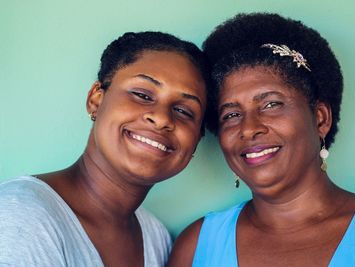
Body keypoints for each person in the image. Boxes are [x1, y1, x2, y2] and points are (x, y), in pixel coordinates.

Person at [168, 13, 355, 266]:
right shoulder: (197, 245)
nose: (248, 128)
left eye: (271, 104)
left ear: (320, 119)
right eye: (231, 114)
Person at [0, 31, 208, 267]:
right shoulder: (21, 217)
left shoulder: (156, 236)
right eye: (142, 94)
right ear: (96, 100)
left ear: (197, 140)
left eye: (184, 111)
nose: (161, 118)